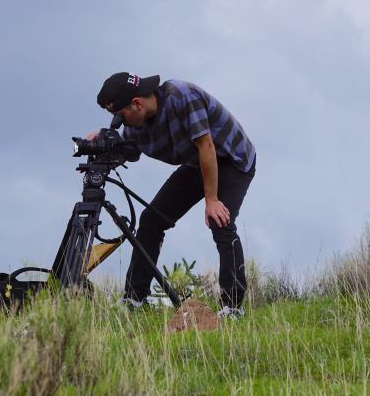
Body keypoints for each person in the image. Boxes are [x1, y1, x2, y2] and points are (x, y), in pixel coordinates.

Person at [89, 72, 257, 319]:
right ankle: (134, 300)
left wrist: (212, 200)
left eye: (119, 113)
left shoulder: (181, 96)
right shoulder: (136, 126)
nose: (118, 120)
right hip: (196, 165)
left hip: (231, 158)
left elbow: (206, 146)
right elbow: (126, 152)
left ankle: (233, 307)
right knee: (150, 221)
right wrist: (101, 143)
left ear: (137, 103)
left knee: (220, 220)